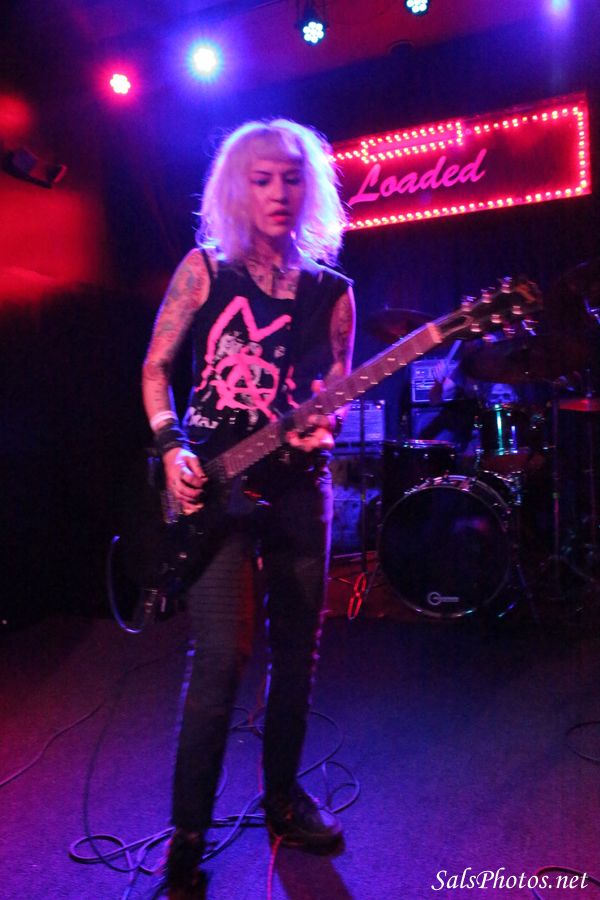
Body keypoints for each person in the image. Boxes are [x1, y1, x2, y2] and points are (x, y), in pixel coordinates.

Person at [141, 118, 355, 897]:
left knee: (297, 653)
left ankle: (283, 801)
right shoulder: (204, 269)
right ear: (238, 186)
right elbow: (157, 368)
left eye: (291, 178)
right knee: (222, 657)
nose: (277, 192)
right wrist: (172, 448)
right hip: (214, 485)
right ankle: (188, 833)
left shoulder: (334, 293)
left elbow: (338, 388)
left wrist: (325, 424)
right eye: (261, 178)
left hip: (299, 487)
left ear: (310, 188)